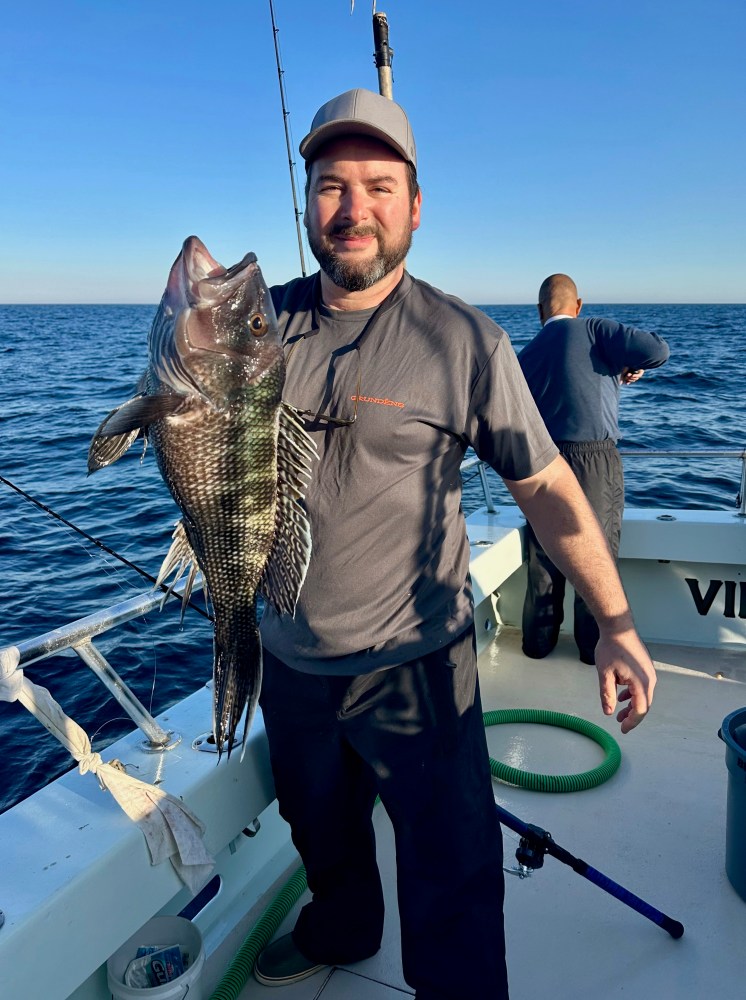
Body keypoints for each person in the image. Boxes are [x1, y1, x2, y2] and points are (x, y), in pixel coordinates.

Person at [253, 89, 657, 999]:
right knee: (321, 835)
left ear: (415, 206)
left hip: (420, 668)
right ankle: (342, 929)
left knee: (454, 879)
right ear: (306, 201)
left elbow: (549, 485)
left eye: (379, 187)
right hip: (288, 658)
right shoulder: (259, 329)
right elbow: (184, 406)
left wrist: (619, 620)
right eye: (330, 186)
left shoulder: (465, 339)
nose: (353, 209)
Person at [518, 275, 670, 665]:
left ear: (539, 312)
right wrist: (630, 361)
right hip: (593, 460)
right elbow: (657, 350)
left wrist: (619, 368)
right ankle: (591, 649)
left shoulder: (527, 354)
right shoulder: (595, 330)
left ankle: (537, 645)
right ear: (579, 305)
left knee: (545, 554)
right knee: (595, 553)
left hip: (542, 462)